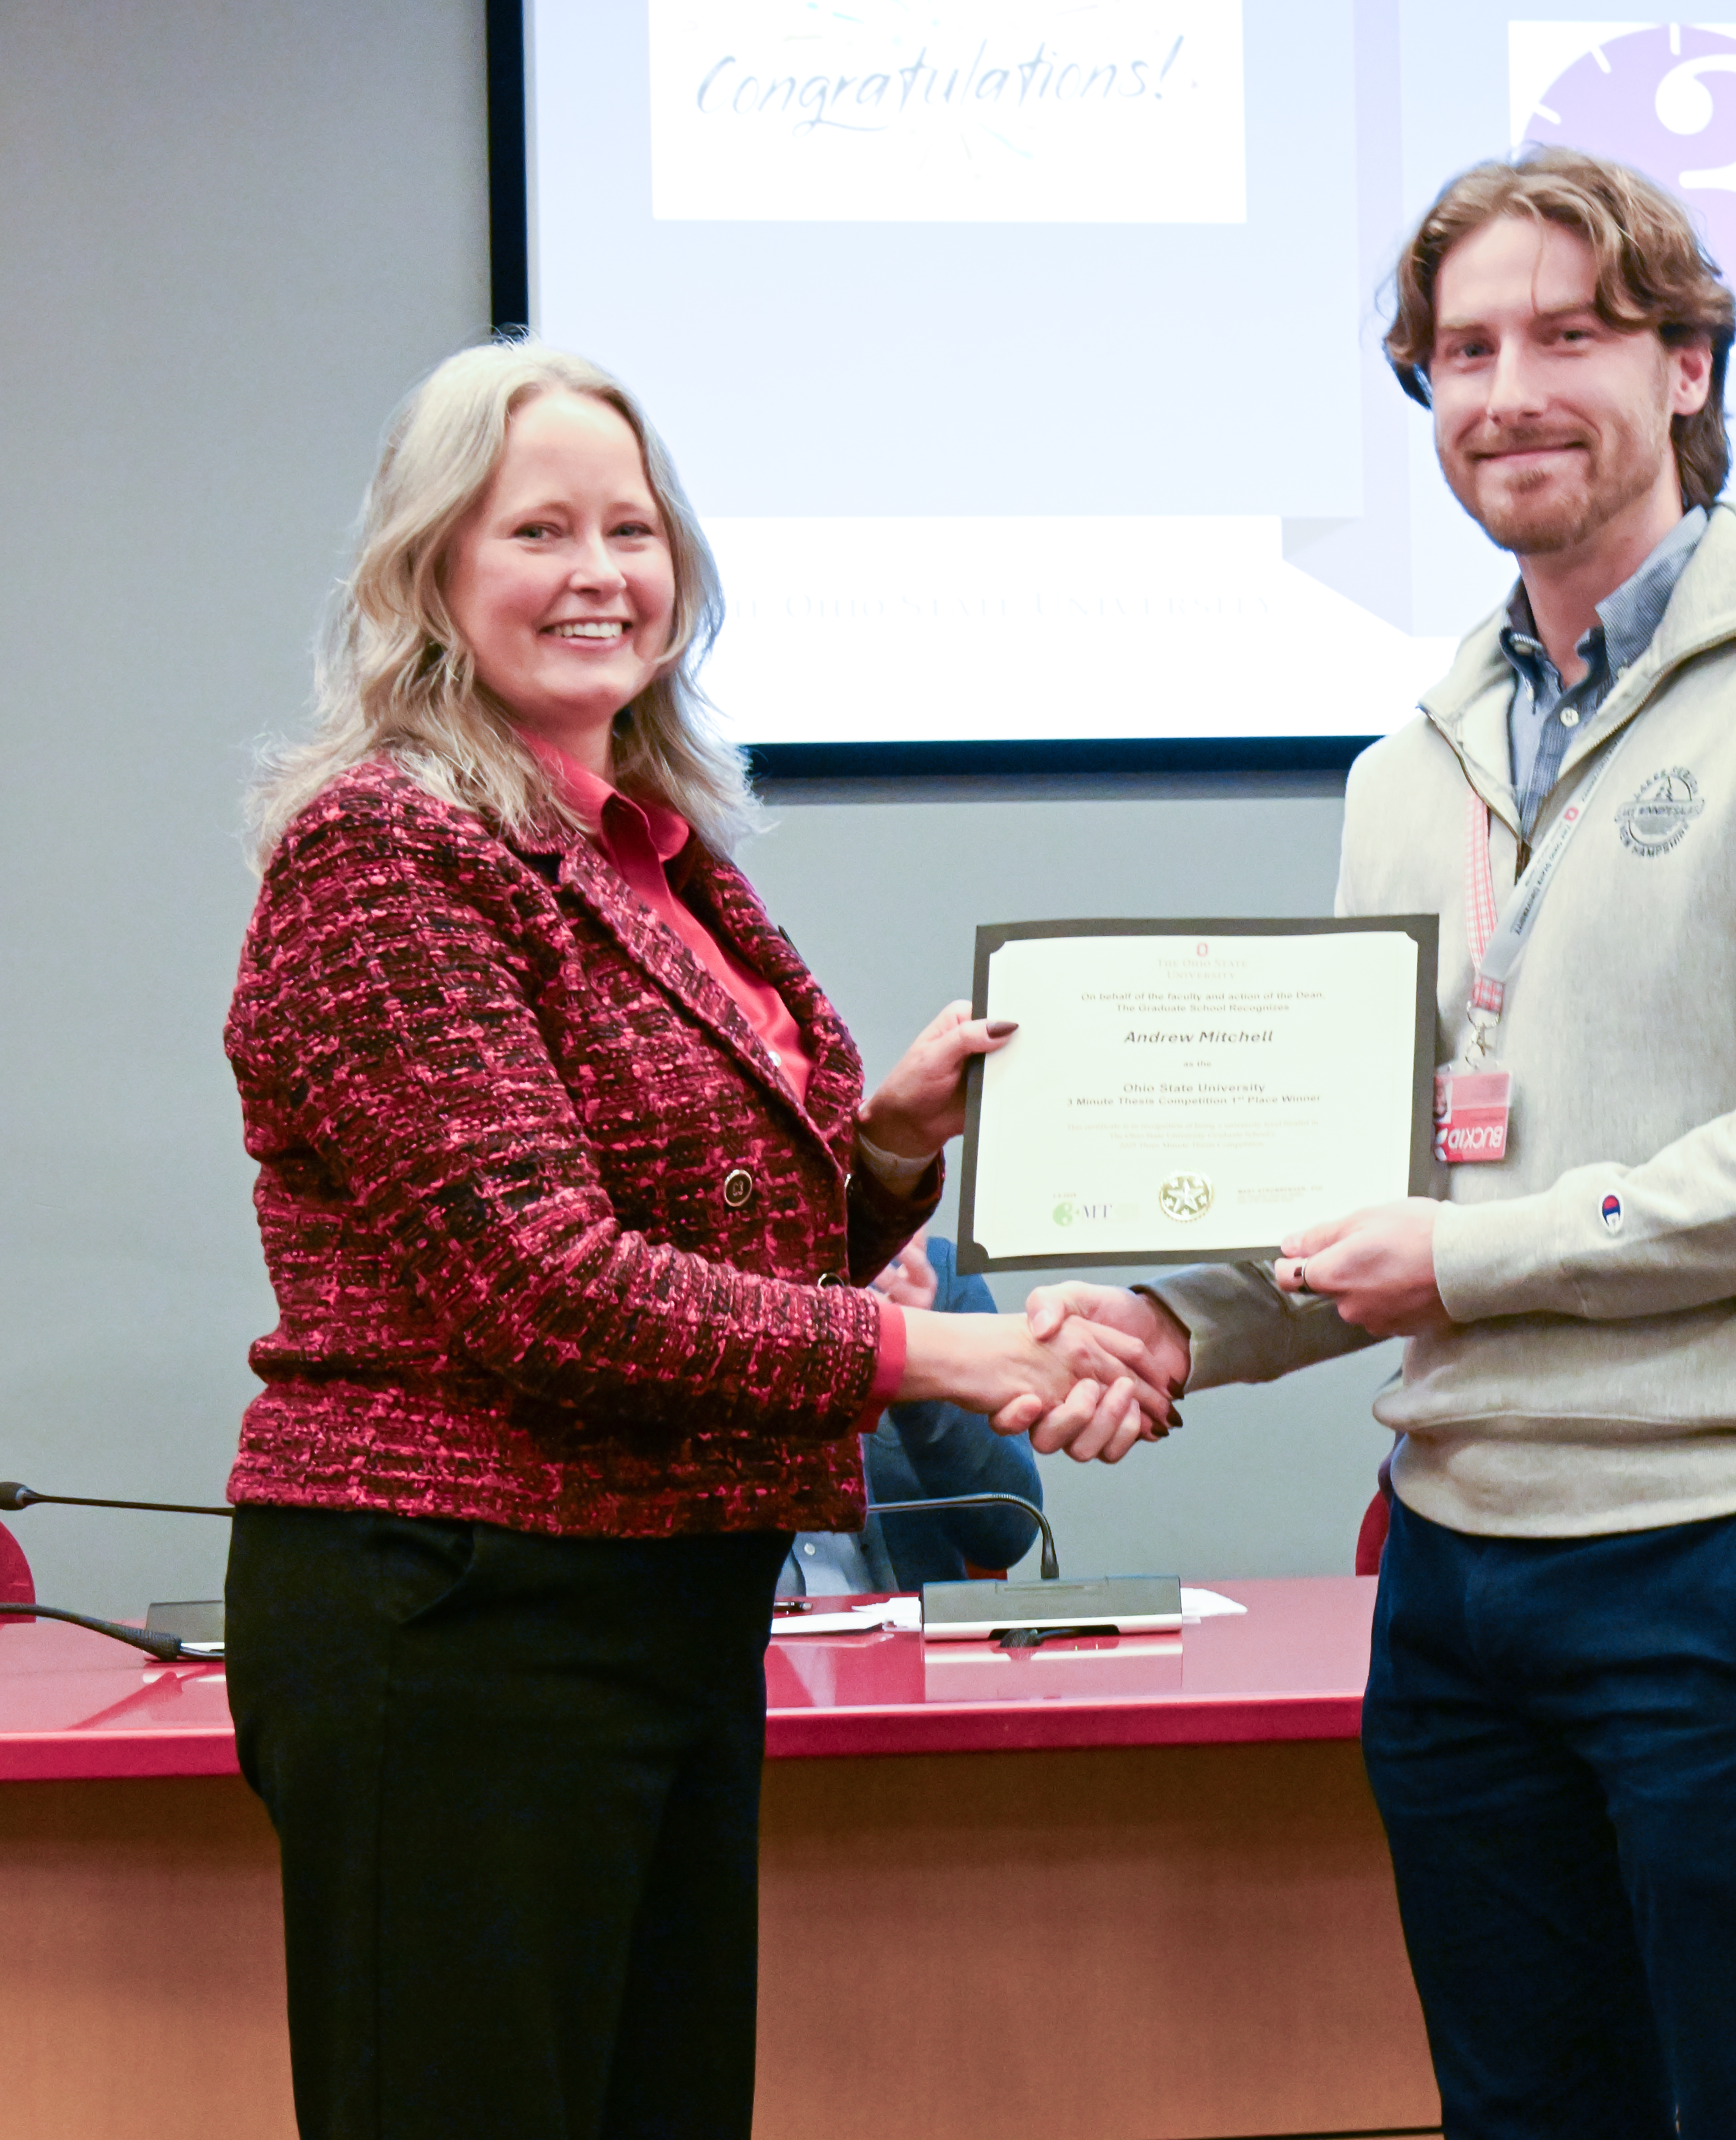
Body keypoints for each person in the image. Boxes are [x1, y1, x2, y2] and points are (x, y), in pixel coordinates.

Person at [1028, 148, 1736, 2139]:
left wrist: (1463, 1260)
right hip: (1460, 1579)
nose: (1509, 390)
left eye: (1571, 333)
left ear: (1690, 366)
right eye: (1464, 347)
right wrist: (1162, 1315)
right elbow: (1377, 1166)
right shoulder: (1418, 758)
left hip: (1732, 1564)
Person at [221, 339, 1170, 2140]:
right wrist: (951, 1350)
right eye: (539, 531)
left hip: (660, 1599)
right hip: (463, 1617)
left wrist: (883, 1152)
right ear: (430, 570)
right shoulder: (383, 852)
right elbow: (542, 1288)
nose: (600, 574)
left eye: (633, 529)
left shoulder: (665, 853)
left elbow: (718, 1232)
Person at [781, 1231, 1049, 1597]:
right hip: (730, 1644)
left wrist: (913, 1367)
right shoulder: (687, 1295)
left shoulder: (925, 1271)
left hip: (906, 1639)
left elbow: (1007, 1534)